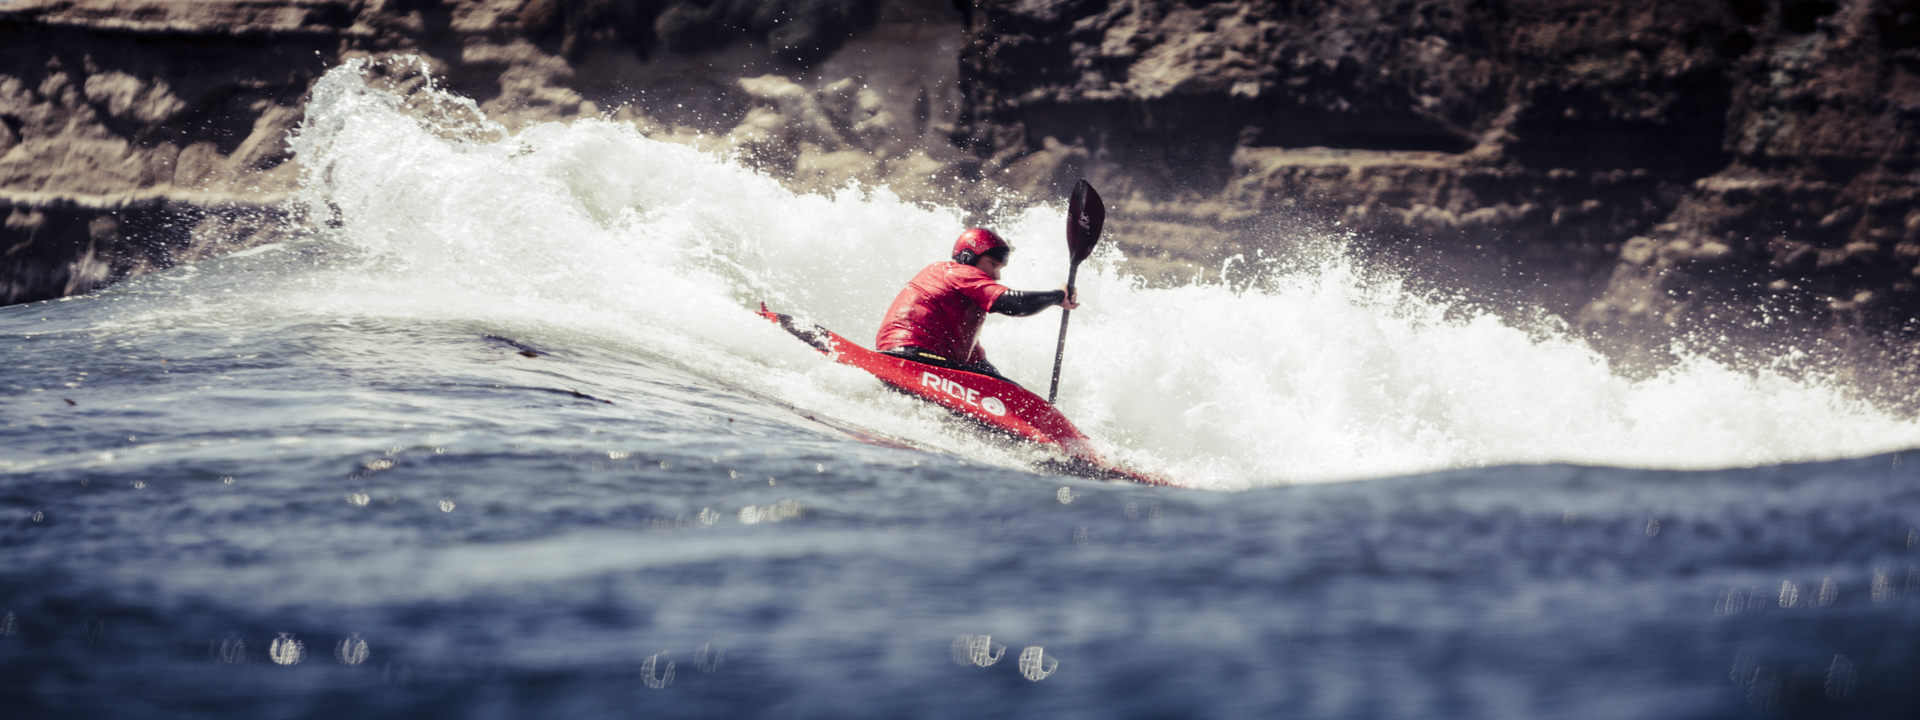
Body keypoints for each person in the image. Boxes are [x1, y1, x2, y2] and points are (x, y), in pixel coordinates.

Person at [875, 228, 1079, 383]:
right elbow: (1014, 304)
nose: (997, 276)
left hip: (923, 357)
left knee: (1004, 387)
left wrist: (1010, 390)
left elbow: (978, 365)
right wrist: (1058, 296)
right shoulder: (957, 271)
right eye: (992, 264)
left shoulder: (959, 298)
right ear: (967, 257)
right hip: (911, 355)